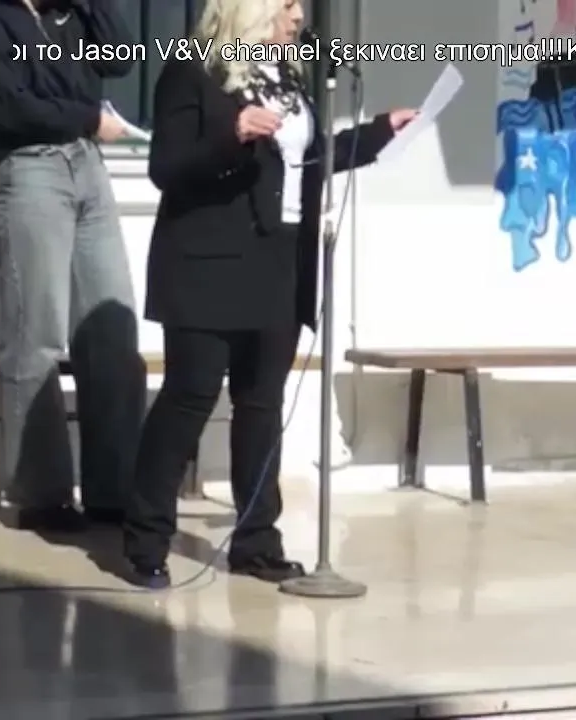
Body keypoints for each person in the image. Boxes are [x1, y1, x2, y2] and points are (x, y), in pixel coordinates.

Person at [120, 0, 417, 588]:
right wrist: (231, 134)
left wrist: (378, 133)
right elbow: (167, 167)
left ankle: (256, 541)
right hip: (206, 264)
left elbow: (306, 161)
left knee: (261, 404)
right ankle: (146, 540)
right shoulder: (194, 69)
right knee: (189, 398)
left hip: (279, 260)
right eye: (285, 4)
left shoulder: (288, 76)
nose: (299, 16)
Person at [0, 0, 146, 533]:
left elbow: (121, 58)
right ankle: (43, 495)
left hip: (89, 166)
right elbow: (6, 105)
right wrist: (86, 117)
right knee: (37, 335)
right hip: (32, 166)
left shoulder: (73, 14)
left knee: (111, 327)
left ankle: (114, 489)